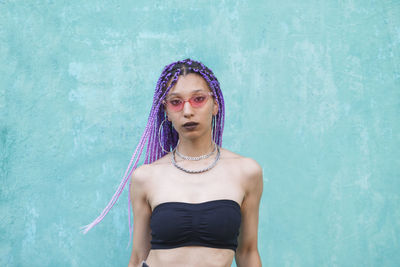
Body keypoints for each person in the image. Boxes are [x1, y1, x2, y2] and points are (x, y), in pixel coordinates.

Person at [81, 58, 263, 267]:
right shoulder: (146, 177)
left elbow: (248, 252)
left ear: (215, 106)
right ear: (166, 111)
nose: (187, 111)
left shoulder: (246, 172)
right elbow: (139, 256)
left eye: (198, 99)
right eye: (176, 102)